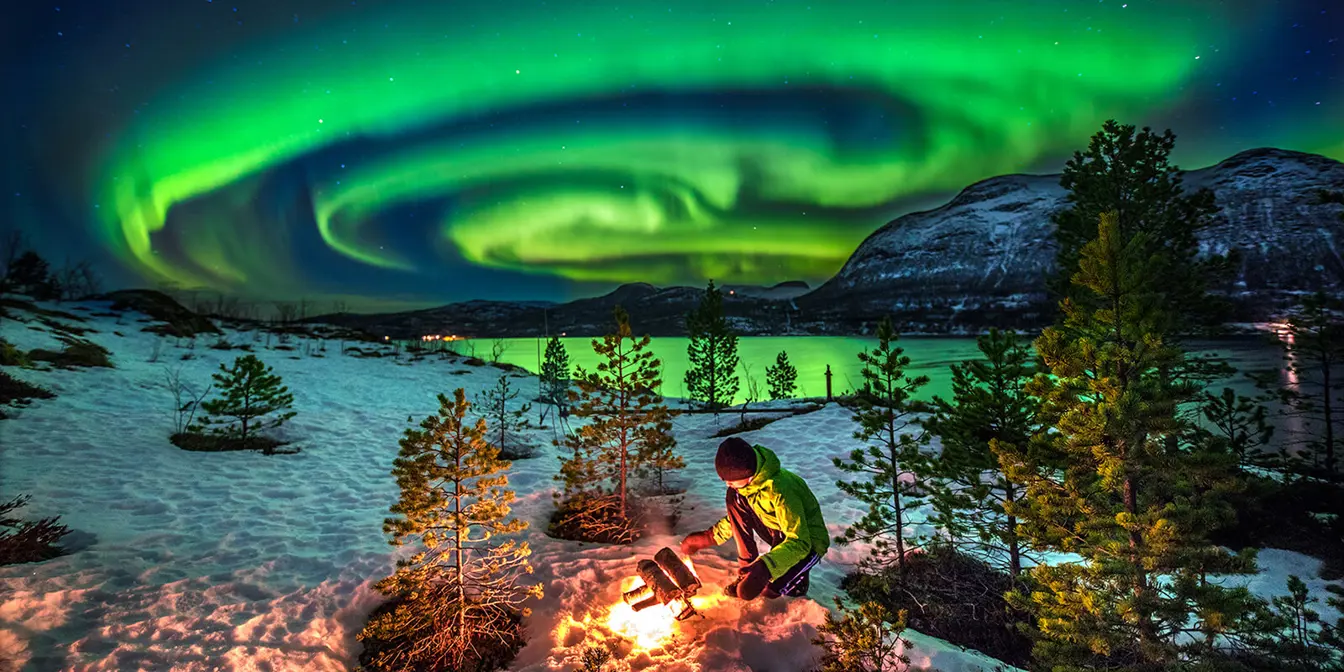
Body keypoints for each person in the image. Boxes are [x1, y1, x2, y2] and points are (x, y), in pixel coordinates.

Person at [679, 437, 828, 600]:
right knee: (734, 496)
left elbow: (800, 542)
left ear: (748, 474)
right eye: (724, 479)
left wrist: (765, 568)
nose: (727, 483)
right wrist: (710, 536)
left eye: (731, 480)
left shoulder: (780, 489)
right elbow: (740, 516)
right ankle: (747, 570)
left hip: (807, 542)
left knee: (770, 593)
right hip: (776, 530)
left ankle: (795, 585)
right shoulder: (747, 487)